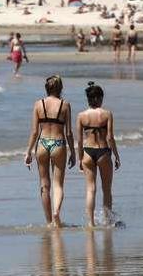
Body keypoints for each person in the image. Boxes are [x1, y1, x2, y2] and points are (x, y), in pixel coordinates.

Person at [23, 75, 76, 228]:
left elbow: (34, 132)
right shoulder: (65, 105)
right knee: (58, 184)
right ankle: (56, 212)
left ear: (46, 88)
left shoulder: (38, 105)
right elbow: (69, 133)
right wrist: (73, 152)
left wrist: (28, 152)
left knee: (44, 185)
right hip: (59, 143)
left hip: (42, 144)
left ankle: (49, 222)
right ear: (60, 88)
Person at [76, 82, 121, 227]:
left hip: (87, 152)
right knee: (106, 189)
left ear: (88, 99)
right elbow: (110, 137)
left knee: (90, 189)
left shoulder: (81, 116)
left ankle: (90, 223)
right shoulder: (107, 114)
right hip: (103, 152)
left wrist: (79, 158)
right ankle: (107, 221)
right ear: (100, 98)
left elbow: (80, 140)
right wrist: (116, 155)